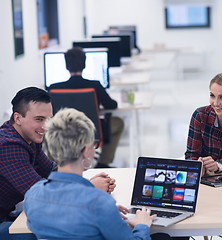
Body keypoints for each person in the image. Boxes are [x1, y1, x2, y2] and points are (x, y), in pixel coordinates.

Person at [24, 108, 171, 240]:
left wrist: (108, 214)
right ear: (86, 151)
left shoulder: (33, 195)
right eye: (94, 144)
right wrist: (142, 225)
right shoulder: (100, 204)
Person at [0, 87, 115, 240]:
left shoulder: (28, 137)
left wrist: (85, 183)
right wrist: (90, 188)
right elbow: (42, 196)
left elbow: (52, 171)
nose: (46, 126)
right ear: (18, 118)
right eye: (39, 119)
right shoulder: (9, 146)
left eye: (49, 119)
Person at [49, 47, 124, 168]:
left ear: (66, 66)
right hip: (92, 132)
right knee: (118, 123)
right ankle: (103, 162)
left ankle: (56, 163)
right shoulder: (95, 86)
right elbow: (111, 105)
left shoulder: (53, 88)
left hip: (63, 132)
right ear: (84, 65)